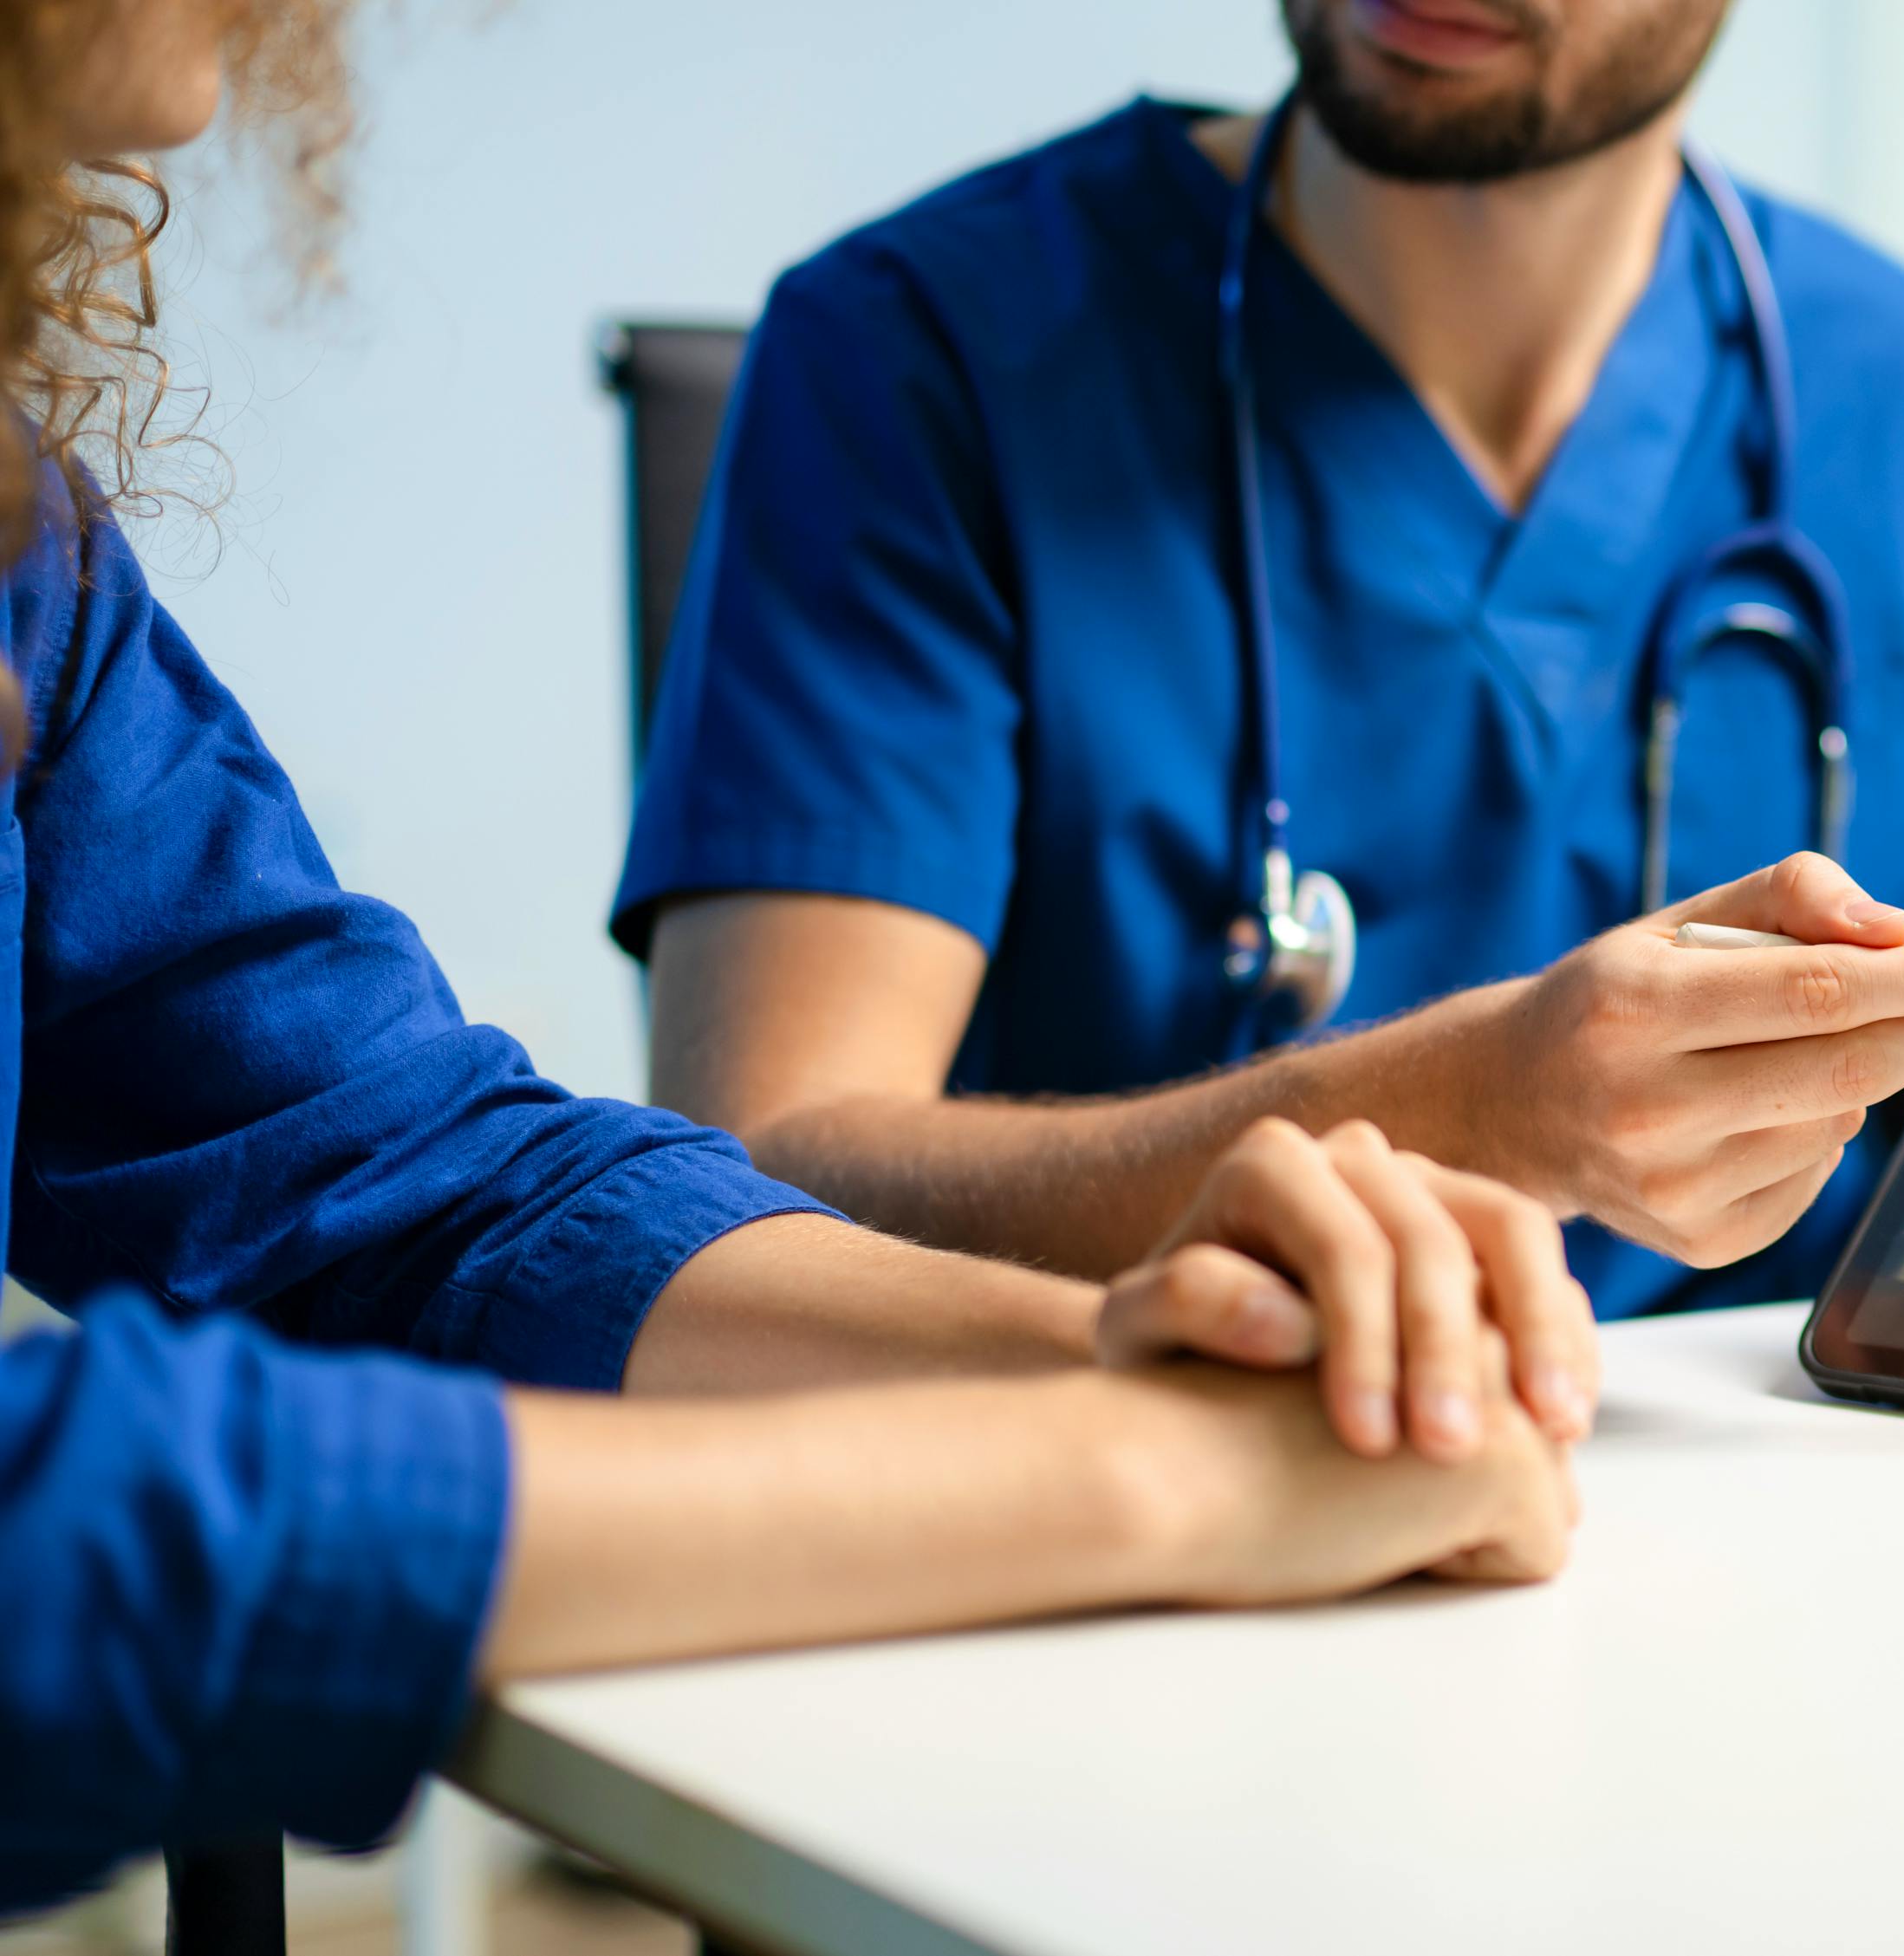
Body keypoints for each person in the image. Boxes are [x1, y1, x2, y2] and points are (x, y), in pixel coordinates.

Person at [0, 0, 1589, 1910]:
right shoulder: (933, 334)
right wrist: (1138, 1485)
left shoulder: (33, 565)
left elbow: (402, 1180)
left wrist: (1157, 1364)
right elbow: (64, 1518)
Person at [617, 0, 1904, 1323]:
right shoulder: (920, 352)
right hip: (1143, 1525)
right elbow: (756, 1185)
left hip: (1777, 1523)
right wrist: (1472, 1110)